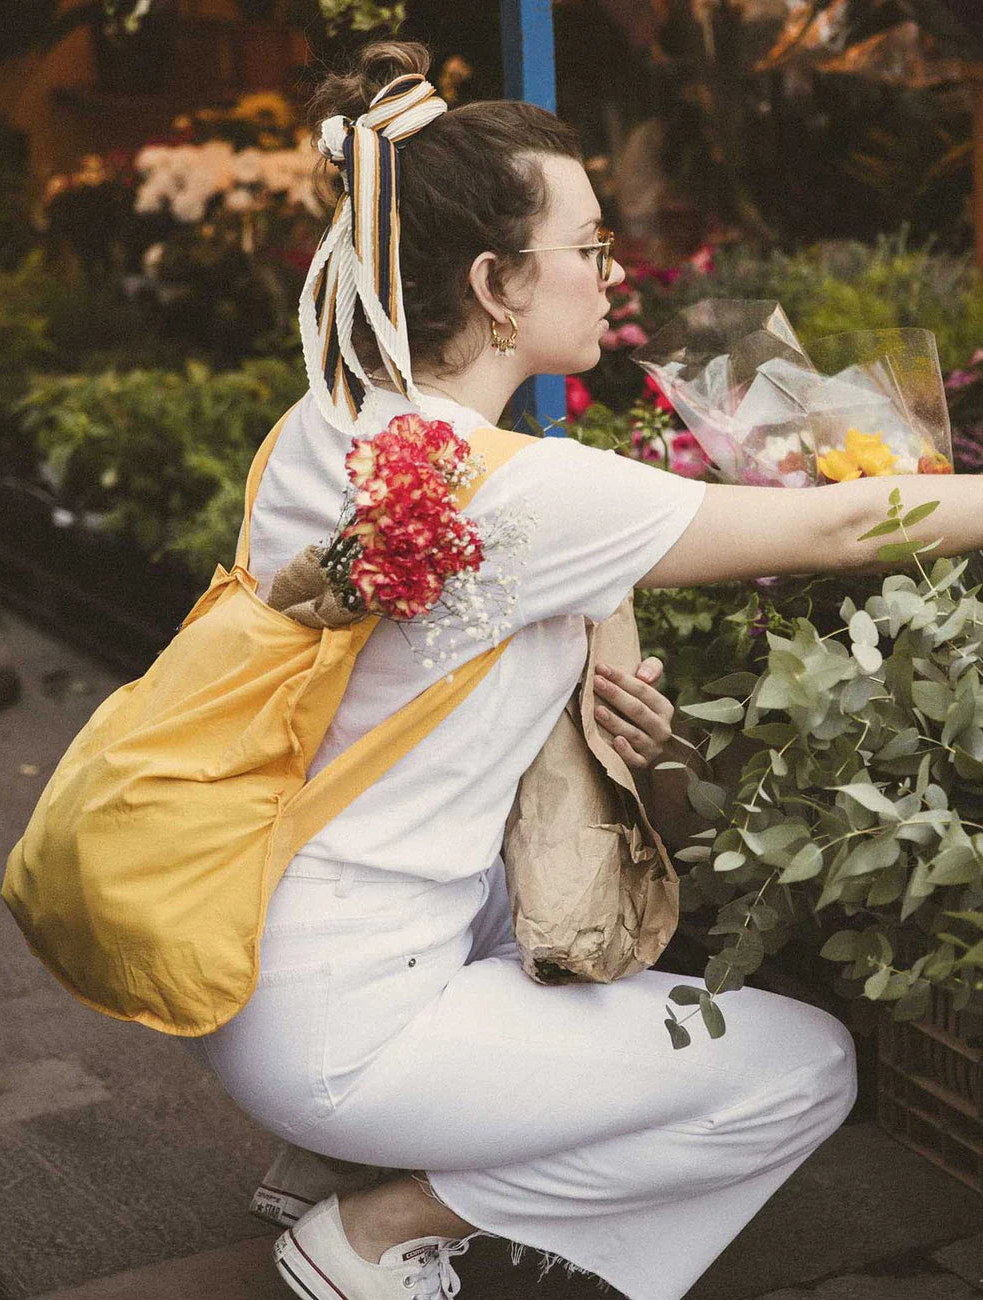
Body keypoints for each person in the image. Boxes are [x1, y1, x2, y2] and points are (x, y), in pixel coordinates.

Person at [191, 40, 983, 1300]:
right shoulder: (509, 486)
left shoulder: (333, 427)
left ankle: (338, 1157)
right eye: (589, 245)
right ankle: (382, 1223)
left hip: (251, 956)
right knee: (804, 1069)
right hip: (356, 1017)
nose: (611, 272)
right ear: (494, 282)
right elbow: (841, 524)